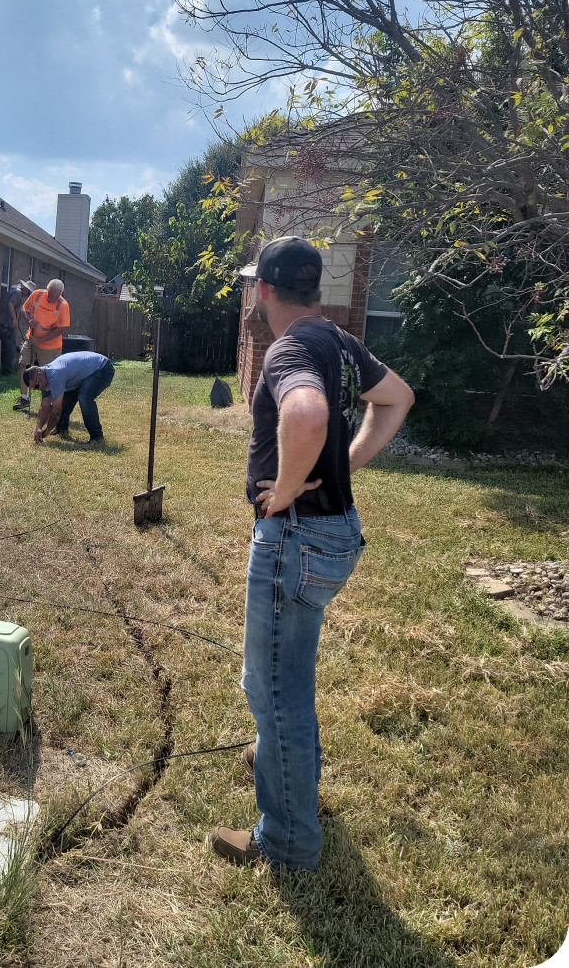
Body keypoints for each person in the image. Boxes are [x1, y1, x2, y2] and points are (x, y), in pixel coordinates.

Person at [208, 236, 414, 871]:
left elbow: (305, 416)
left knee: (279, 691)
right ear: (315, 290)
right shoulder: (339, 342)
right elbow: (397, 398)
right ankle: (277, 756)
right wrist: (345, 465)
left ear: (263, 290)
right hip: (332, 535)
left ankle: (288, 841)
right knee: (274, 678)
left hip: (295, 539)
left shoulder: (289, 348)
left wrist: (290, 488)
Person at [23, 350, 115, 445]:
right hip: (86, 373)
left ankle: (97, 438)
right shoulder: (45, 378)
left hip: (102, 369)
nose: (39, 389)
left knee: (85, 399)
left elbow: (56, 411)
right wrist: (38, 427)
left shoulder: (55, 375)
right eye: (35, 388)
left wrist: (46, 431)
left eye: (37, 386)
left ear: (40, 374)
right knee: (65, 397)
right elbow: (44, 406)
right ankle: (61, 429)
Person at [13, 278, 70, 411]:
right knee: (23, 363)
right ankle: (24, 398)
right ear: (47, 290)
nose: (52, 299)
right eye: (50, 295)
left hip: (51, 345)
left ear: (61, 294)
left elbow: (60, 329)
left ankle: (50, 403)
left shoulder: (63, 305)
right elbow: (25, 309)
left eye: (56, 297)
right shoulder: (37, 294)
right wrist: (29, 320)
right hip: (31, 338)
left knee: (51, 374)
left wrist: (40, 340)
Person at [0, 283, 24, 375]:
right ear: (26, 290)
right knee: (10, 349)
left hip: (4, 324)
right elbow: (11, 303)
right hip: (7, 325)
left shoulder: (13, 290)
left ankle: (6, 371)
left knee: (7, 348)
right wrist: (14, 319)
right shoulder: (18, 292)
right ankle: (7, 372)